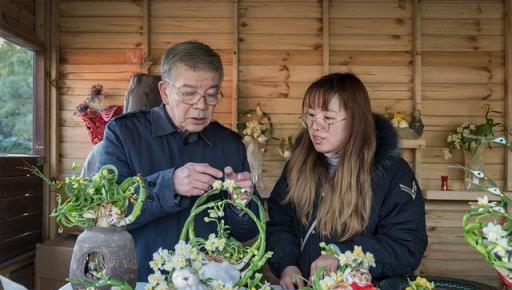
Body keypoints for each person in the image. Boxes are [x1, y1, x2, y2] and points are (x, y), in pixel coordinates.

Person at [98, 41, 258, 280]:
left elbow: (246, 232)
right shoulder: (123, 133)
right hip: (139, 280)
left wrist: (241, 206)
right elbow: (106, 214)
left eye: (212, 95)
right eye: (189, 93)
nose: (201, 105)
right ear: (165, 92)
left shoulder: (231, 145)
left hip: (208, 283)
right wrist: (168, 184)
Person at [266, 72, 428, 289]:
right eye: (311, 116)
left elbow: (406, 246)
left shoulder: (392, 173)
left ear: (355, 120)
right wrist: (287, 265)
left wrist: (343, 254)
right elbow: (280, 223)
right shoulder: (298, 164)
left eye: (328, 118)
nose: (316, 126)